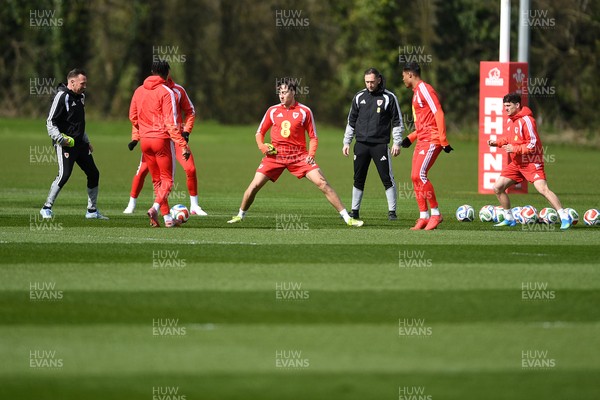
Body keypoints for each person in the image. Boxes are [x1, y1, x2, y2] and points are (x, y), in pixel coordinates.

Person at [227, 79, 363, 227]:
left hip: (299, 156)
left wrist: (311, 155)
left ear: (293, 92)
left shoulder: (305, 111)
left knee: (322, 183)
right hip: (275, 156)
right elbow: (259, 133)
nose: (281, 95)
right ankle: (240, 215)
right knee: (254, 186)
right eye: (279, 92)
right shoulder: (272, 110)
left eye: (284, 92)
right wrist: (262, 147)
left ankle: (347, 218)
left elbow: (313, 137)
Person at [124, 75, 208, 216]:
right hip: (159, 140)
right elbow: (140, 116)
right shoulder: (150, 91)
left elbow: (190, 112)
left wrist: (186, 131)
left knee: (190, 169)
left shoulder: (178, 90)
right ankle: (131, 204)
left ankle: (194, 206)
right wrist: (136, 137)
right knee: (142, 171)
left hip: (175, 139)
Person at [488, 92, 571, 230]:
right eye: (504, 106)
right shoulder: (510, 120)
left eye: (508, 106)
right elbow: (507, 139)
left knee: (543, 189)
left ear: (517, 105)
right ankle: (509, 218)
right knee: (498, 187)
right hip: (517, 164)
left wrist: (514, 148)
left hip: (532, 161)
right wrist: (496, 143)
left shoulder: (527, 120)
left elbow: (532, 144)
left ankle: (564, 216)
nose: (506, 109)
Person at [40, 68, 108, 220]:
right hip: (65, 144)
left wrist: (86, 140)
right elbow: (50, 121)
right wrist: (60, 139)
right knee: (64, 175)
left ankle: (91, 211)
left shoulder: (81, 97)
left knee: (93, 173)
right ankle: (46, 208)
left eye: (85, 83)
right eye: (82, 83)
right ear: (72, 82)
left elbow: (78, 123)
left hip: (80, 144)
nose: (85, 86)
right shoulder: (61, 96)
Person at [129, 61, 190, 228]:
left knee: (157, 181)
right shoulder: (167, 92)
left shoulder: (139, 90)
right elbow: (171, 123)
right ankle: (155, 208)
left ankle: (167, 219)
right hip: (161, 140)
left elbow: (132, 116)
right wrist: (182, 144)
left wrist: (142, 131)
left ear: (151, 71)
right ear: (167, 73)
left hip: (145, 141)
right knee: (168, 181)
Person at [343, 67, 404, 220]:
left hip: (380, 145)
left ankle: (392, 212)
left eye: (372, 82)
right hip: (361, 144)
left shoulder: (389, 97)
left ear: (379, 80)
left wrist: (397, 142)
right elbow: (351, 121)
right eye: (367, 82)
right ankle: (354, 211)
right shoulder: (359, 97)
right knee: (358, 178)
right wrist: (347, 142)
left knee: (387, 178)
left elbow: (397, 121)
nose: (369, 85)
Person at [401, 62, 453, 230]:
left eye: (403, 76)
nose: (403, 79)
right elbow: (424, 122)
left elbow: (438, 112)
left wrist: (443, 140)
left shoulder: (425, 89)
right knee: (414, 177)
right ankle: (424, 216)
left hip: (432, 139)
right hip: (422, 139)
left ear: (410, 74)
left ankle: (436, 214)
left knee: (420, 174)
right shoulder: (416, 93)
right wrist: (411, 137)